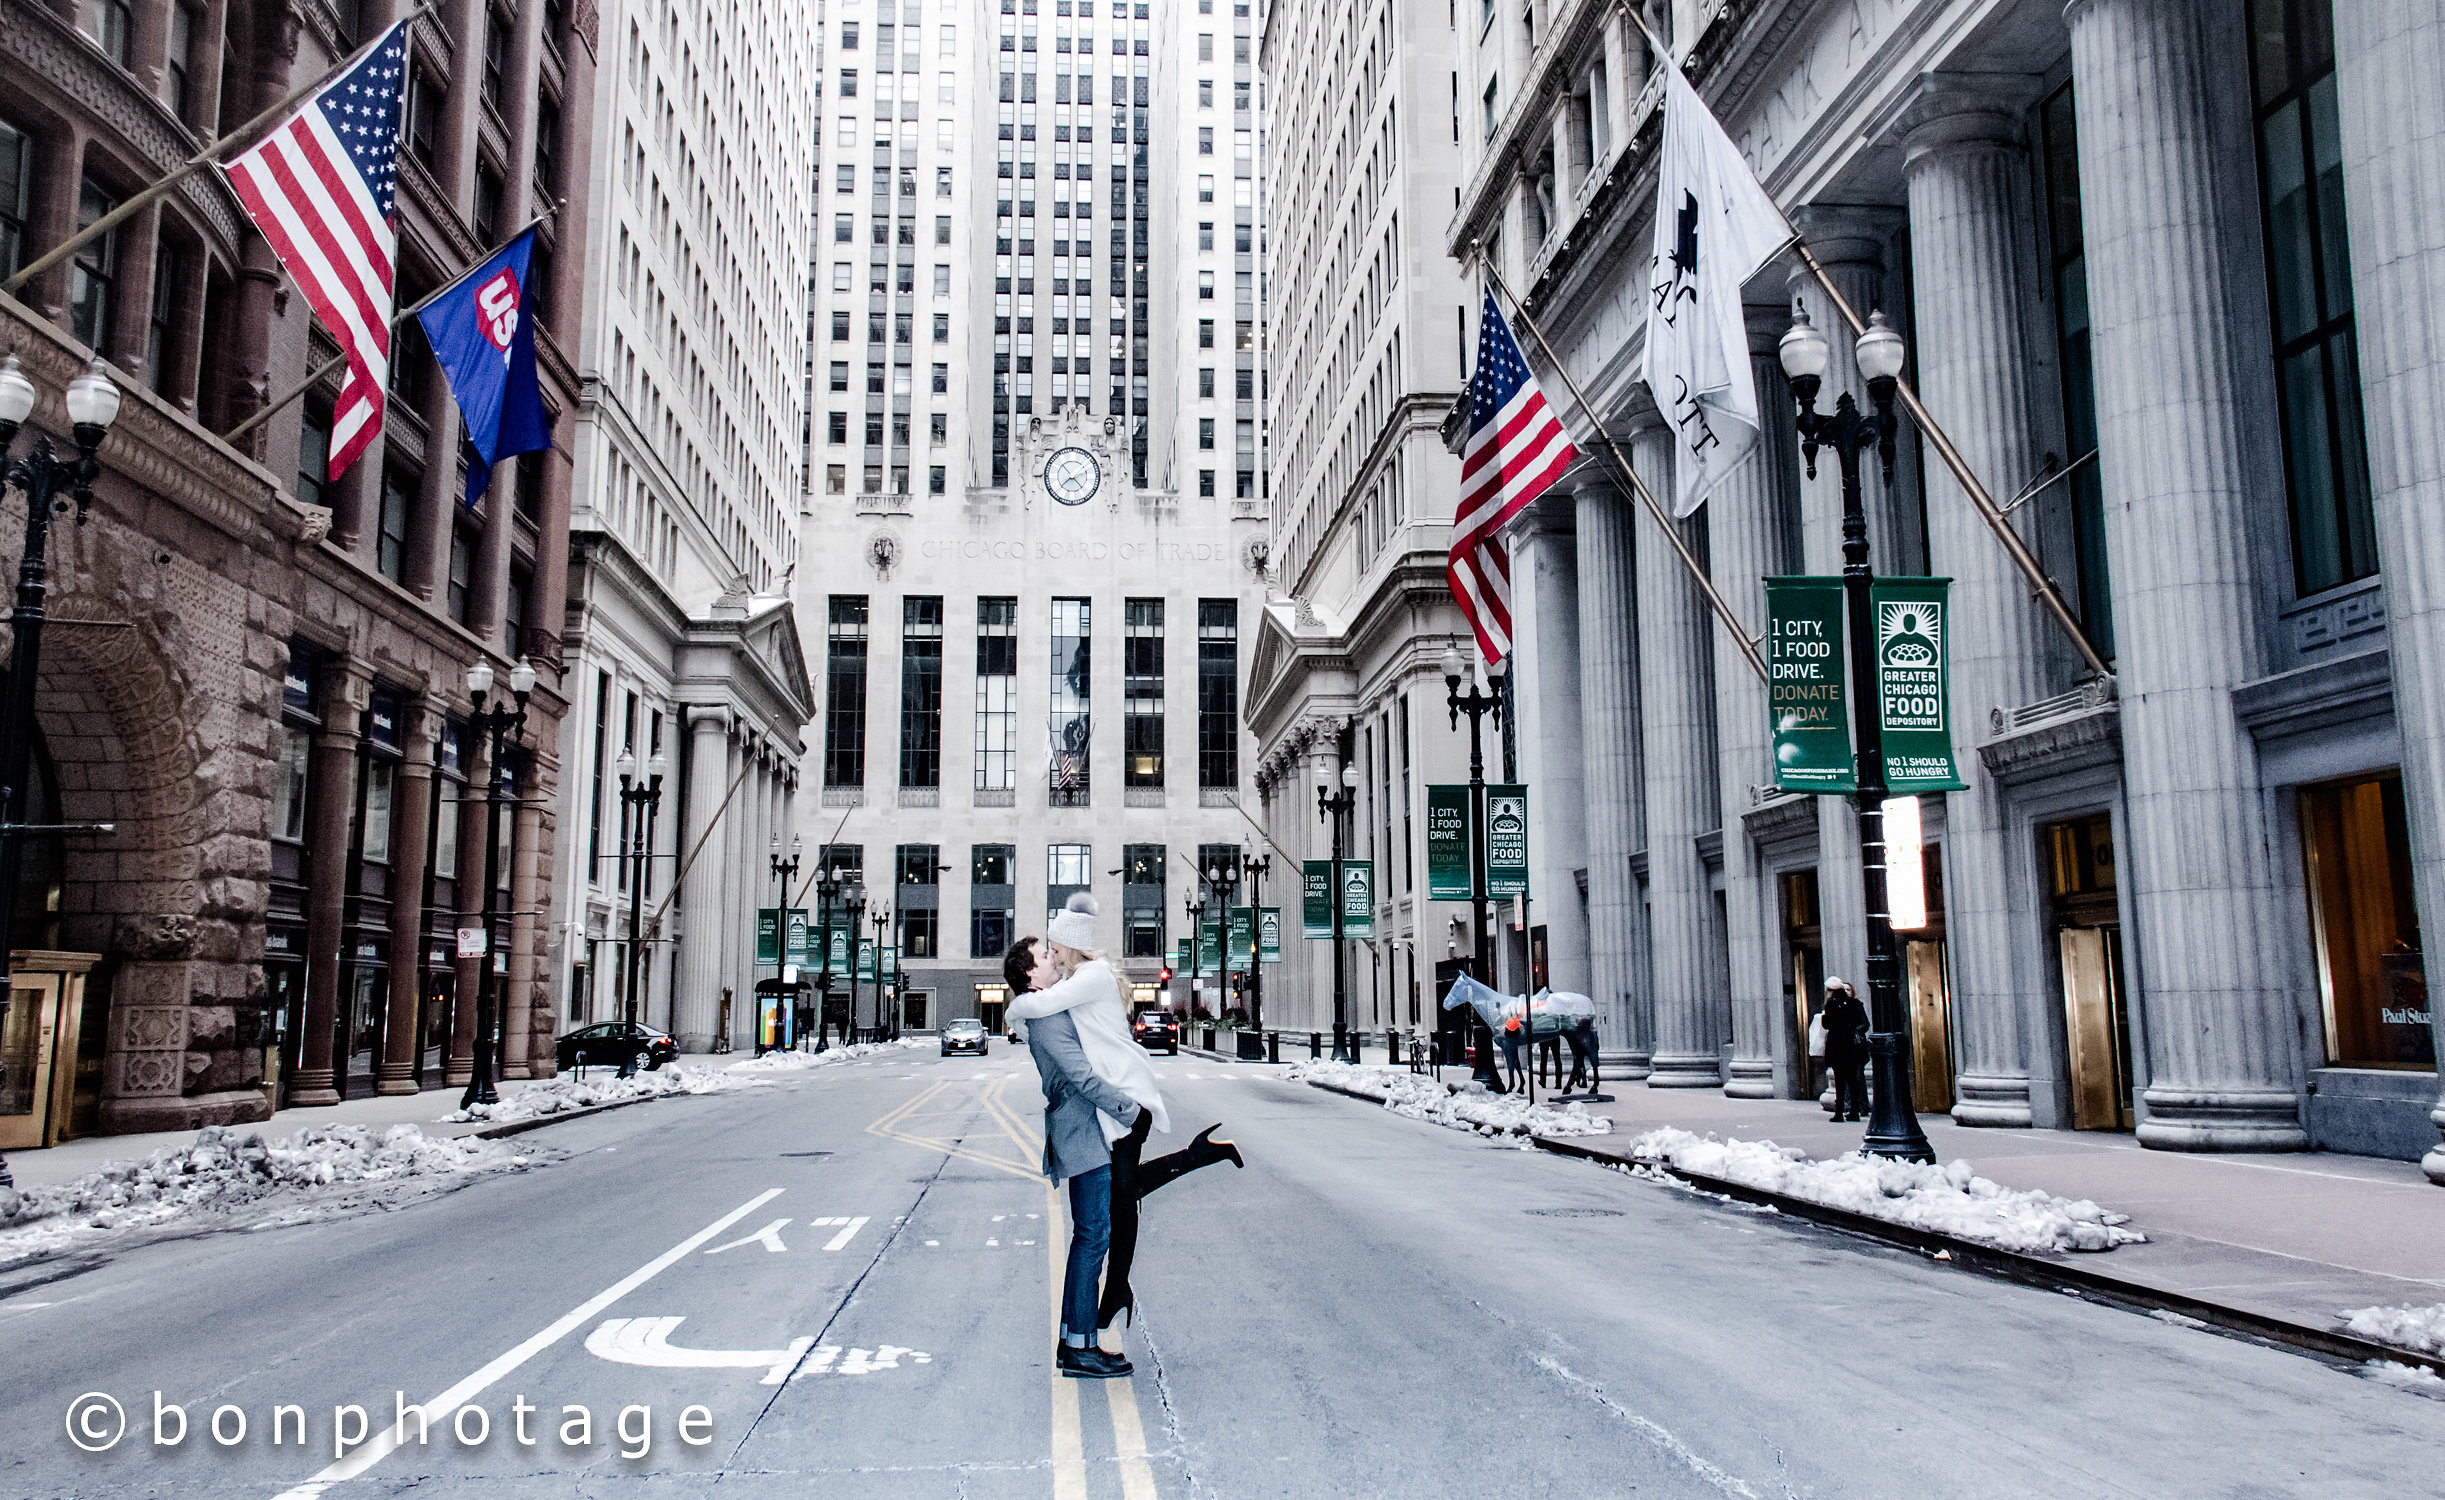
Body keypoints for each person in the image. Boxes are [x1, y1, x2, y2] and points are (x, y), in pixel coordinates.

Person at [1011, 894, 1242, 1333]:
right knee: (1121, 1196)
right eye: (1049, 953)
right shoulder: (1078, 979)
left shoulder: (1092, 975)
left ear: (1071, 947)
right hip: (1119, 1102)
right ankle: (1117, 1289)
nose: (1054, 957)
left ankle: (1118, 1288)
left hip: (1129, 1100)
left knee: (1121, 1194)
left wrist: (1014, 1004)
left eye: (1056, 950)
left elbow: (1037, 1006)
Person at [1005, 929, 1142, 1380]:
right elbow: (1082, 1077)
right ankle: (1082, 1348)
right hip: (1082, 1134)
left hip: (1081, 1131)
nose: (1052, 957)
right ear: (1030, 976)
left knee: (1088, 1237)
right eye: (1044, 956)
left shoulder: (1049, 1008)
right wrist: (1129, 1109)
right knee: (1092, 1238)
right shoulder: (1046, 1020)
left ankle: (1073, 1340)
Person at [1822, 976, 1870, 1123]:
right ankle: (1854, 1111)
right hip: (1853, 1047)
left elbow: (1827, 1024)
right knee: (1853, 1079)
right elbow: (1863, 1023)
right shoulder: (1854, 1003)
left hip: (1838, 1046)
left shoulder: (1831, 1004)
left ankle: (1839, 1112)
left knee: (1840, 1080)